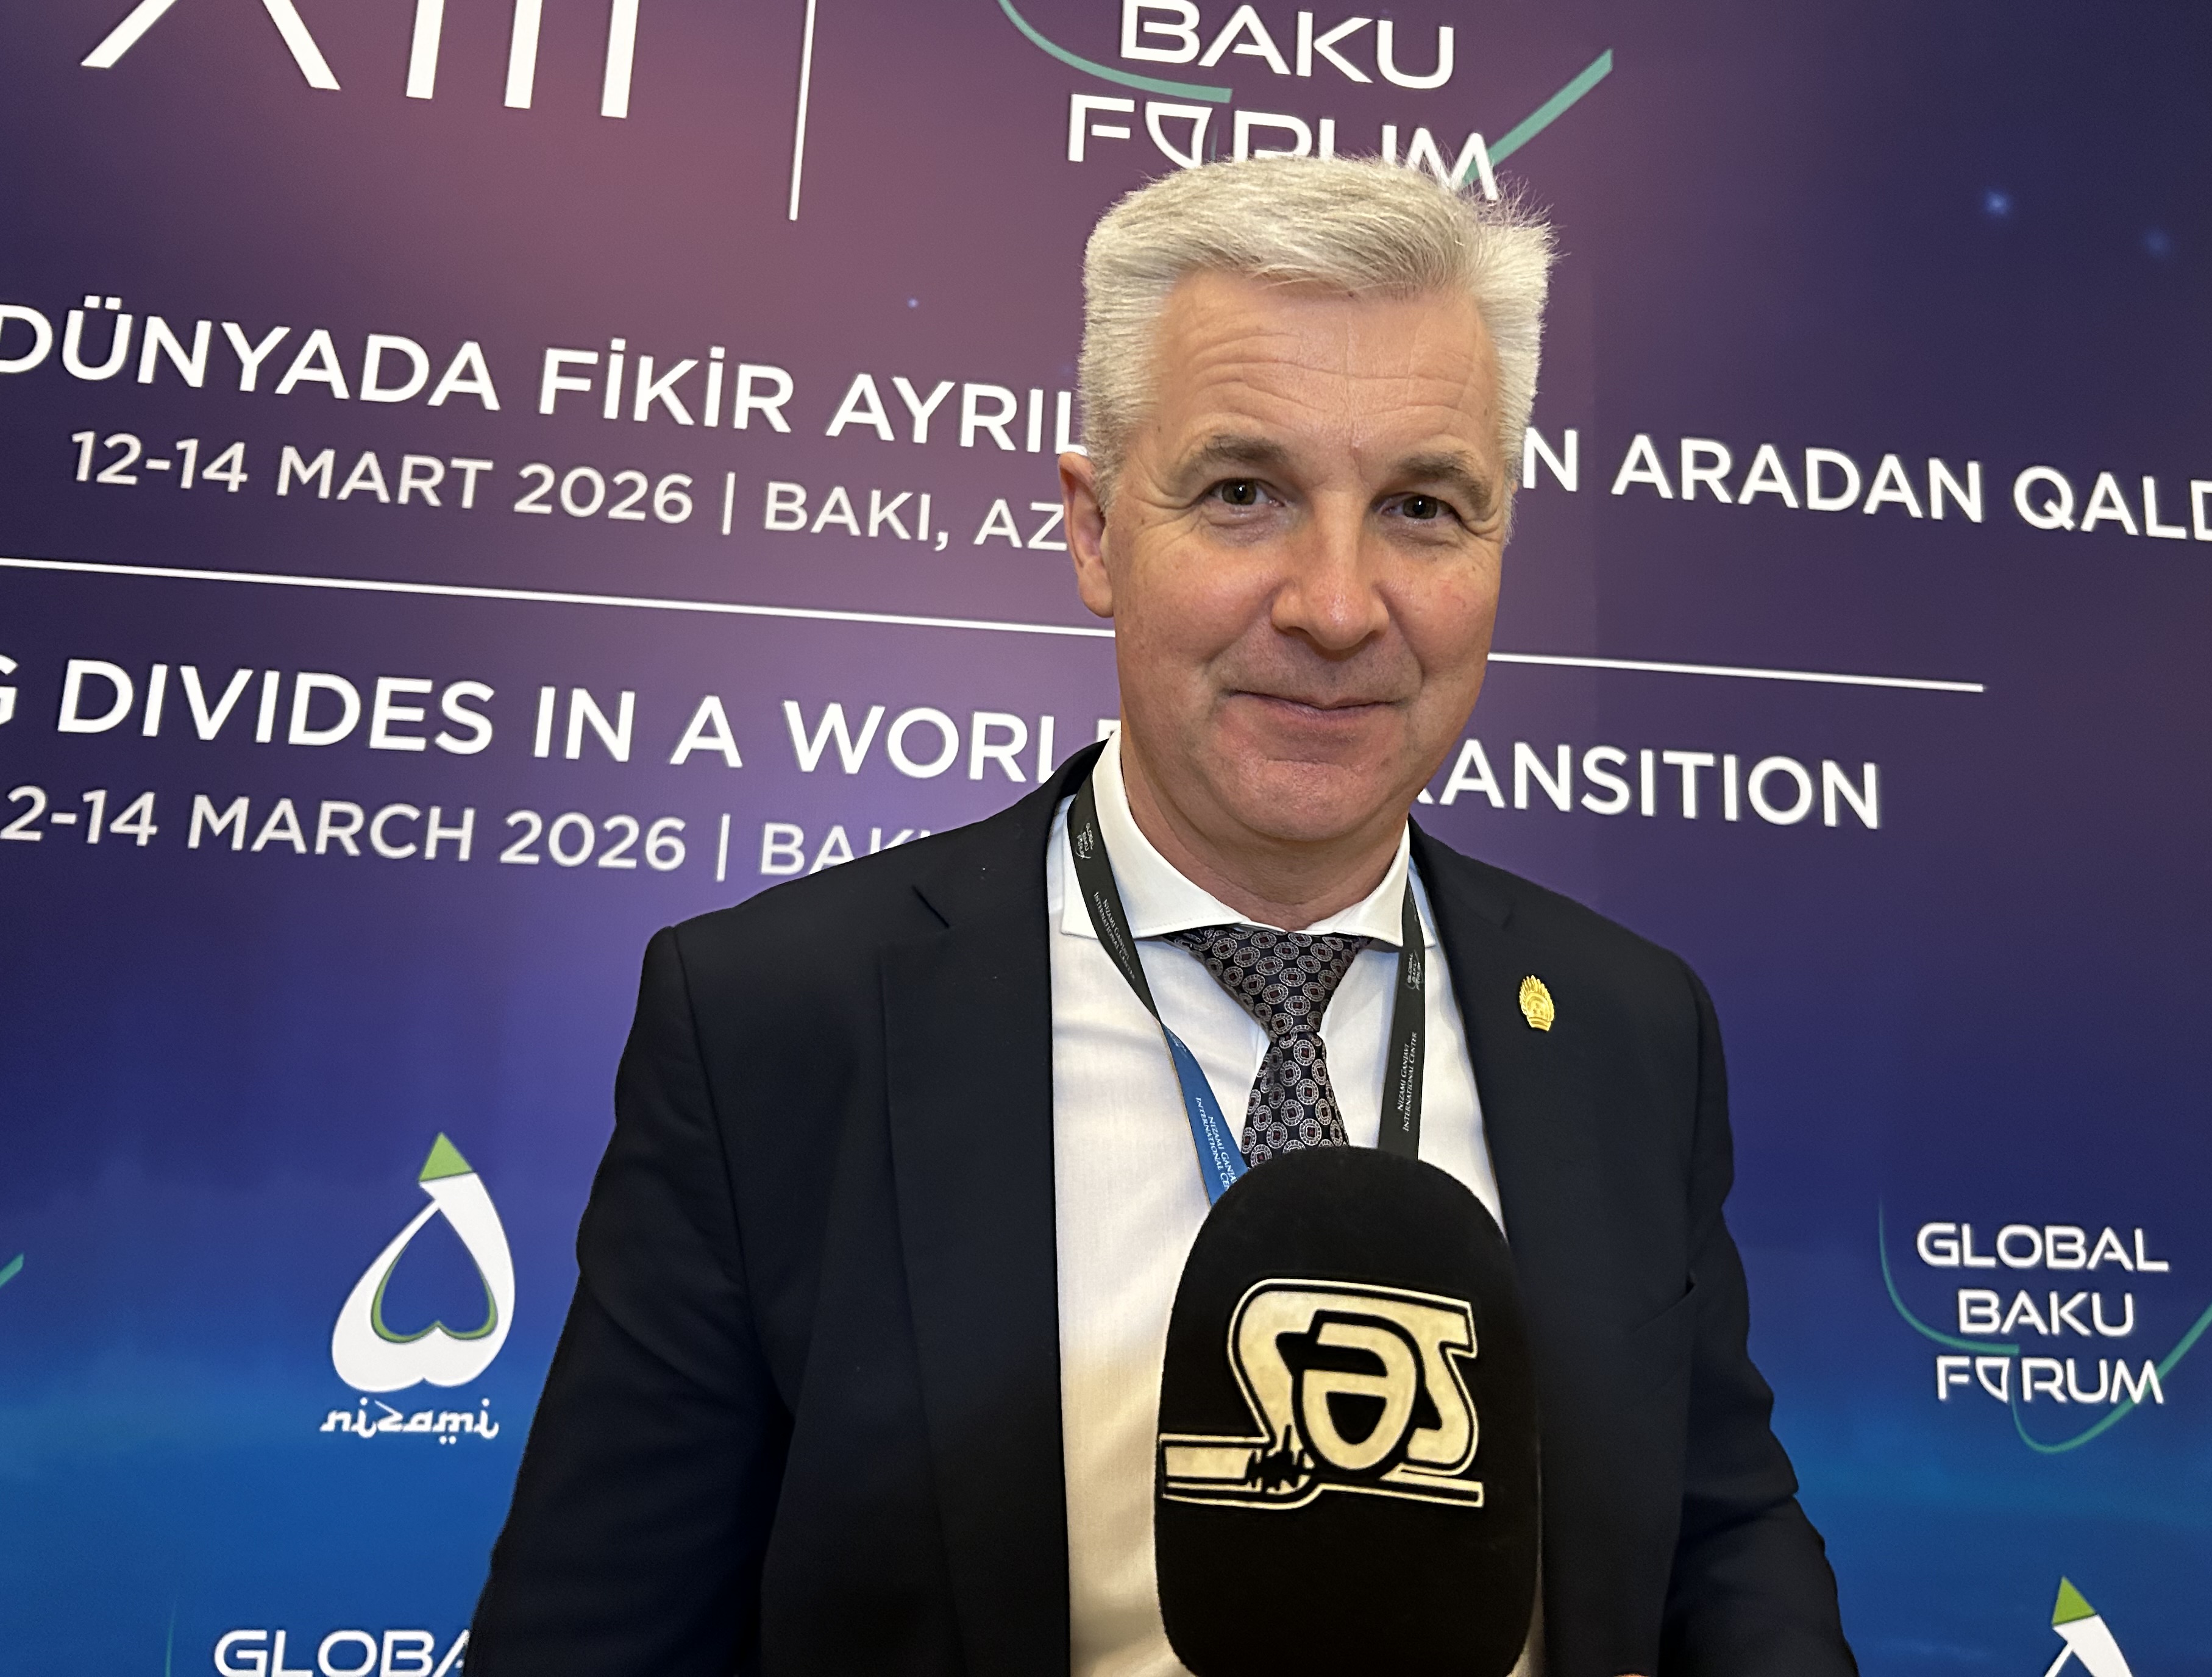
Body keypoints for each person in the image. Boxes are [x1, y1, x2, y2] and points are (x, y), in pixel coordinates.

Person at [468, 157, 1854, 1677]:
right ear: (1095, 530)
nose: (1338, 605)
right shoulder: (775, 1026)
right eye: (1245, 494)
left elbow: (1719, 1534)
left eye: (1422, 507)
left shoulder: (1628, 1028)